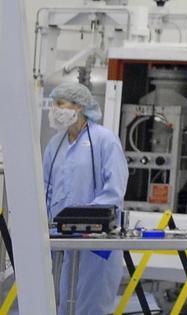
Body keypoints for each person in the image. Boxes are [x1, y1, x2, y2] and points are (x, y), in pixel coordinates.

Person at [42, 80, 127, 314]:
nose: (54, 110)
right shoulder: (55, 145)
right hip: (60, 241)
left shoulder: (104, 141)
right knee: (60, 305)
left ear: (78, 107)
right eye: (53, 105)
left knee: (91, 305)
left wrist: (85, 218)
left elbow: (114, 190)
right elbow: (45, 188)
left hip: (94, 242)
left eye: (60, 104)